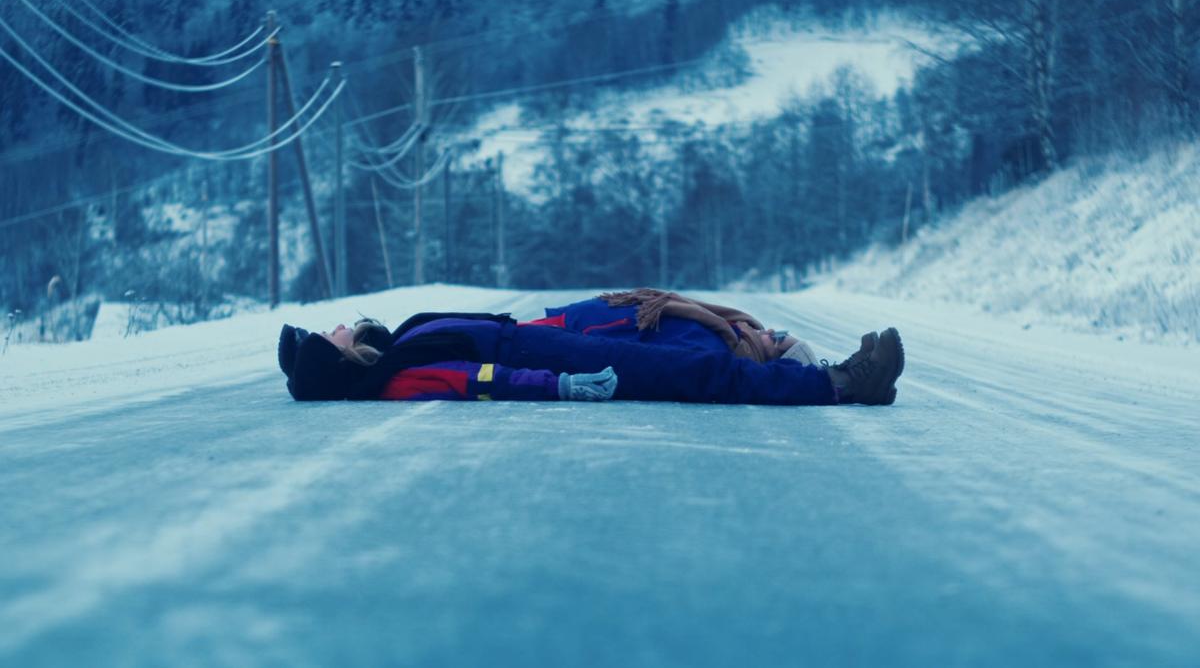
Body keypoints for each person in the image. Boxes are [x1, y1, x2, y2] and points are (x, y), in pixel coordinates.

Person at [277, 310, 904, 406]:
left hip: (542, 339)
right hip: (542, 358)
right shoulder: (400, 374)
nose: (337, 325)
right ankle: (844, 385)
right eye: (328, 337)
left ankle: (819, 371)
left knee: (683, 347)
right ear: (344, 361)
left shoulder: (397, 344)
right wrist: (560, 386)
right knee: (691, 374)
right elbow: (479, 379)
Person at [526, 289, 819, 365]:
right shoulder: (732, 330)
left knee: (500, 335)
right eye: (778, 330)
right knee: (498, 329)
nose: (769, 332)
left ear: (774, 359)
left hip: (595, 329)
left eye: (778, 340)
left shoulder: (725, 350)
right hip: (599, 315)